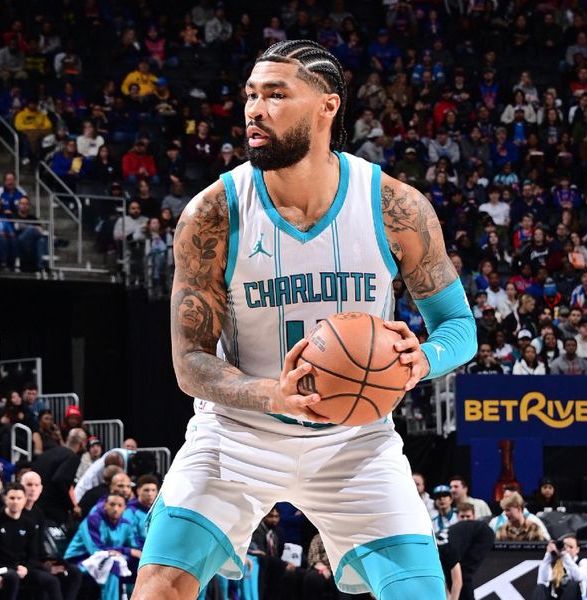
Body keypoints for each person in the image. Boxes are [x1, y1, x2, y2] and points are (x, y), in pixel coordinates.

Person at [134, 40, 477, 600]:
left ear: (327, 106)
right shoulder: (213, 214)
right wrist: (275, 394)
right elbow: (190, 363)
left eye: (275, 94)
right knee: (158, 589)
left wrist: (424, 359)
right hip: (238, 434)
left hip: (356, 443)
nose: (254, 109)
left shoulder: (395, 207)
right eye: (250, 95)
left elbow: (459, 328)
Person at [0, 482, 61, 600]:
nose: (15, 502)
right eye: (12, 498)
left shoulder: (28, 524)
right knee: (12, 577)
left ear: (24, 500)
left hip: (21, 568)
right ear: (5, 498)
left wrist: (26, 568)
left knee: (51, 581)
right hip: (1, 567)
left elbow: (33, 555)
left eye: (19, 498)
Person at [64, 493, 141, 600]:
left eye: (119, 505)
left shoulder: (126, 524)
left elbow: (135, 547)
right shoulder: (93, 519)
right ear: (105, 505)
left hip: (108, 558)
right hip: (79, 559)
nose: (115, 509)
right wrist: (127, 550)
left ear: (125, 508)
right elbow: (95, 550)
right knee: (113, 565)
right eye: (112, 504)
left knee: (140, 565)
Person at [20, 470, 83, 600]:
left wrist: (52, 561)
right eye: (29, 485)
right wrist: (43, 566)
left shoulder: (38, 512)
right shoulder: (17, 513)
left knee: (74, 572)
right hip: (24, 563)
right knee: (50, 580)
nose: (33, 489)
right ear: (21, 487)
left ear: (41, 489)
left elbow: (41, 544)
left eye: (36, 485)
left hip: (38, 561)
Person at [32, 428, 86, 523]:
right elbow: (60, 480)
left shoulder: (47, 453)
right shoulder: (72, 457)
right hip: (54, 508)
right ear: (82, 444)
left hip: (36, 505)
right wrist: (71, 506)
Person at [439, 517, 494, 600]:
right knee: (449, 574)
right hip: (465, 533)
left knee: (464, 573)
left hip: (483, 534)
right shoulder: (439, 549)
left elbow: (458, 581)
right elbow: (446, 579)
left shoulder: (447, 551)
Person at [533, 535, 587, 600]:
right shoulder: (555, 563)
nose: (567, 549)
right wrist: (548, 554)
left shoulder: (583, 562)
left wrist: (565, 556)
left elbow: (578, 577)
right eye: (565, 547)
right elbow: (542, 580)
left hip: (578, 597)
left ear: (577, 549)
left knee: (572, 584)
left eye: (571, 547)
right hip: (558, 597)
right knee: (540, 587)